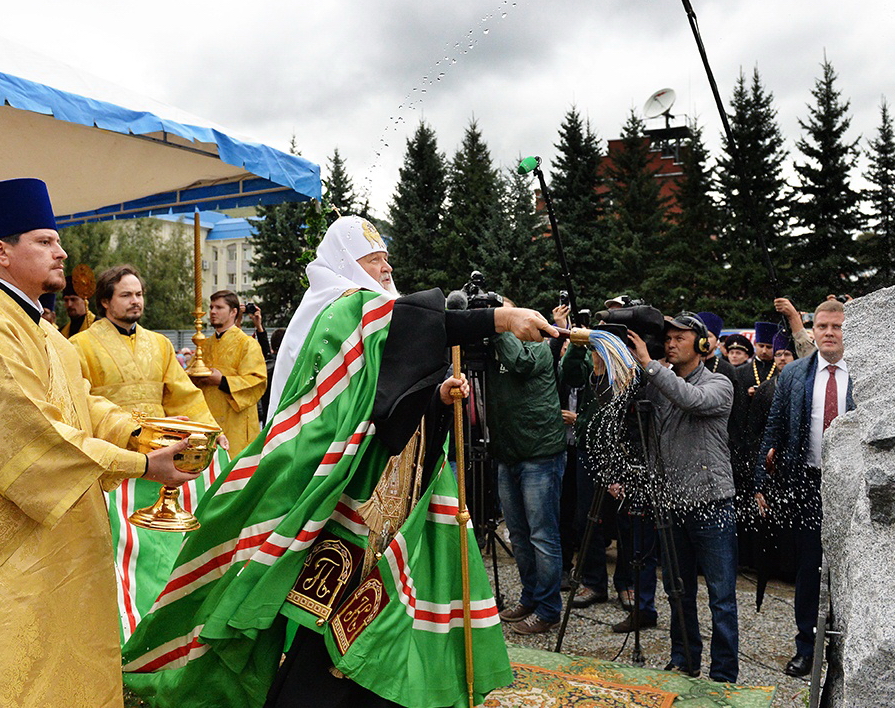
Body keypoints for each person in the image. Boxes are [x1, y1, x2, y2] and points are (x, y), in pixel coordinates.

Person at [122, 216, 554, 708]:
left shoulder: (374, 313)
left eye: (386, 257)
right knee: (321, 604)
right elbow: (399, 340)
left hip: (384, 489)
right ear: (348, 265)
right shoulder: (341, 309)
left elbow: (388, 391)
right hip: (336, 489)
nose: (387, 266)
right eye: (374, 259)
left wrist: (434, 395)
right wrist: (499, 319)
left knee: (372, 599)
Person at [0, 177, 199, 707]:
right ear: (2, 251)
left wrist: (147, 432)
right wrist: (139, 463)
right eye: (44, 240)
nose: (62, 251)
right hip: (21, 538)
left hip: (68, 527)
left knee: (75, 653)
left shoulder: (40, 328)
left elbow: (84, 403)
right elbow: (32, 432)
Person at [70, 264, 221, 640]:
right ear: (105, 301)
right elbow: (79, 404)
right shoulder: (80, 346)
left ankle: (162, 611)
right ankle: (119, 621)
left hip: (163, 457)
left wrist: (211, 434)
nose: (135, 301)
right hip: (115, 458)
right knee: (121, 545)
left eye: (139, 294)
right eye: (126, 294)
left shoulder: (161, 344)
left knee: (161, 545)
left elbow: (183, 394)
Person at [627, 312, 739, 683]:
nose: (671, 343)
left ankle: (723, 673)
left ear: (702, 344)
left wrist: (651, 367)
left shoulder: (720, 383)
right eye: (668, 338)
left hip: (711, 504)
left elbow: (690, 399)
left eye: (680, 338)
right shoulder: (658, 383)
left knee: (721, 597)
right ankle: (684, 658)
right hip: (671, 503)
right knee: (678, 591)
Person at [754, 300, 854, 677]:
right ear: (812, 330)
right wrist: (762, 481)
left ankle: (848, 648)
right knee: (810, 570)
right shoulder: (795, 374)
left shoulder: (866, 372)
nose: (829, 333)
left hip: (853, 487)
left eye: (837, 327)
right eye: (823, 326)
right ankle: (806, 648)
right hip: (808, 484)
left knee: (849, 570)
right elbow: (774, 428)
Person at [489, 298, 567, 635]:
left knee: (542, 536)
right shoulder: (492, 347)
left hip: (540, 454)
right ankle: (530, 597)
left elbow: (519, 363)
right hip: (508, 453)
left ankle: (549, 609)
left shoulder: (538, 345)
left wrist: (497, 328)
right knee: (519, 535)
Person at [191, 290, 267, 455]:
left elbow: (257, 381)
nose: (212, 311)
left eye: (219, 307)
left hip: (236, 424)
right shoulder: (203, 345)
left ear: (233, 312)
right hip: (208, 422)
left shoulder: (247, 344)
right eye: (211, 307)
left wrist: (222, 381)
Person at [59, 272, 96, 337]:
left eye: (73, 299)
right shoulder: (60, 333)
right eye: (66, 300)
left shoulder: (99, 326)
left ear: (85, 300)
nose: (69, 304)